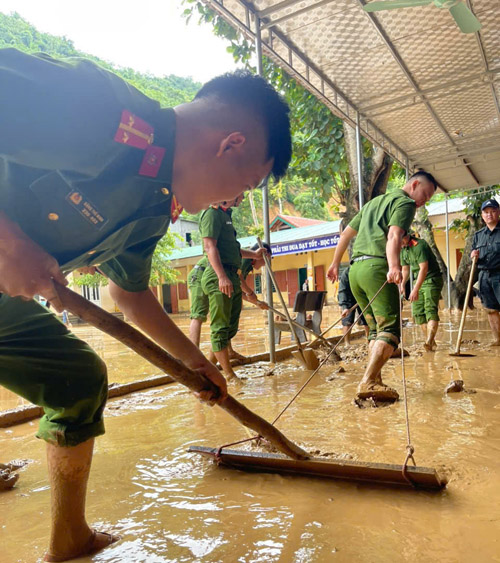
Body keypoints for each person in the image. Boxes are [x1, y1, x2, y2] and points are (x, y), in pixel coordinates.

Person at [0, 48, 291, 562]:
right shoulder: (98, 108)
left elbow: (127, 294)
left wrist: (194, 362)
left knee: (77, 381)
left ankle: (69, 540)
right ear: (232, 144)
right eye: (245, 186)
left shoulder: (154, 206)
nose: (234, 202)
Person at [327, 171, 437, 402]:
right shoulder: (405, 203)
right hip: (377, 268)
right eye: (424, 195)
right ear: (414, 184)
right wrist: (394, 265)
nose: (423, 202)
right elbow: (394, 235)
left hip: (355, 270)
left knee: (375, 330)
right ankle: (367, 381)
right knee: (391, 330)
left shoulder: (374, 203)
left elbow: (346, 233)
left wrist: (336, 263)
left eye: (427, 200)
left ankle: (375, 380)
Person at [199, 196, 266, 380]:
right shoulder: (211, 214)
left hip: (232, 275)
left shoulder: (226, 215)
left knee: (229, 327)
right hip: (219, 275)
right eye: (240, 193)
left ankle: (208, 370)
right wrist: (221, 276)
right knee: (220, 327)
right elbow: (209, 246)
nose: (243, 197)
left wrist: (254, 254)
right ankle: (229, 375)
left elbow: (233, 250)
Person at [400, 233, 443, 351]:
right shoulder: (403, 249)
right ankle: (431, 343)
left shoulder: (419, 245)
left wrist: (415, 289)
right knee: (418, 313)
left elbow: (424, 269)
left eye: (401, 240)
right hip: (418, 281)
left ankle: (429, 341)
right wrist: (402, 284)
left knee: (430, 310)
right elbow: (405, 269)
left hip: (431, 279)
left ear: (406, 236)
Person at [471, 198, 500, 346]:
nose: (489, 215)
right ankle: (497, 340)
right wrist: (473, 255)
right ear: (482, 215)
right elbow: (473, 252)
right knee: (490, 309)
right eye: (486, 212)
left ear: (498, 212)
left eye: (493, 211)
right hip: (484, 276)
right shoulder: (478, 235)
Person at [338, 266, 369, 345]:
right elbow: (342, 291)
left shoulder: (365, 269)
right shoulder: (346, 273)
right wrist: (345, 307)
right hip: (349, 296)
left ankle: (369, 340)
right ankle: (347, 343)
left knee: (367, 317)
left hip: (363, 295)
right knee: (347, 319)